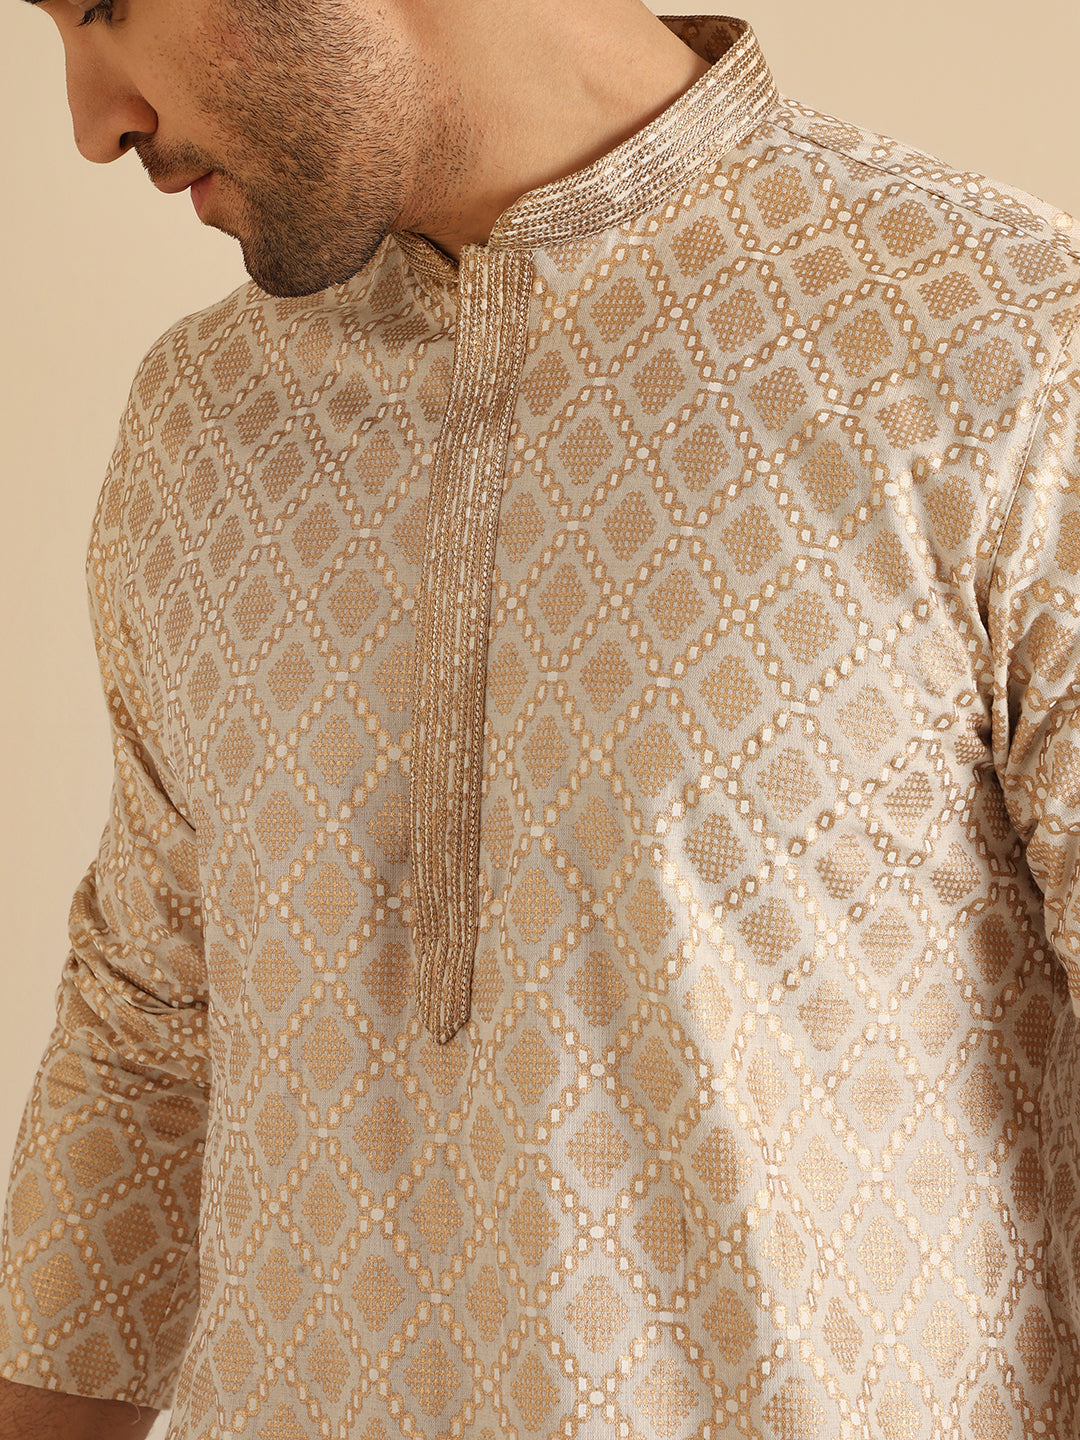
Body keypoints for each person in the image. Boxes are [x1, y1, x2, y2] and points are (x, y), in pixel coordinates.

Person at [3, 0, 1080, 1436]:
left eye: (104, 7)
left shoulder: (1006, 346)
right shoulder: (204, 420)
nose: (93, 122)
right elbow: (147, 1040)